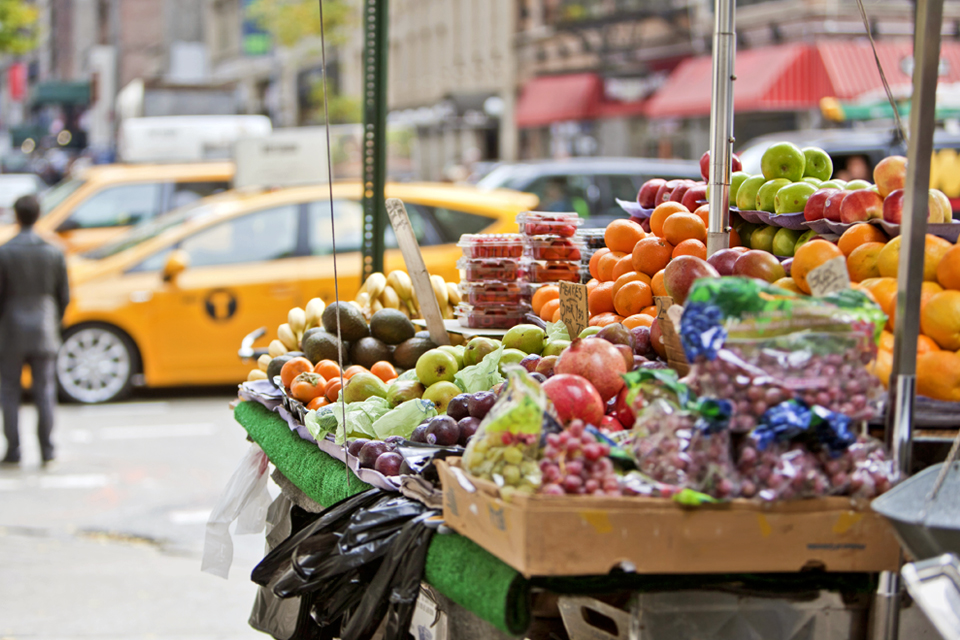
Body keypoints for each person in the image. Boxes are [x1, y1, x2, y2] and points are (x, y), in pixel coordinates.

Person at [0, 195, 70, 467]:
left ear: (16, 216)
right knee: (45, 392)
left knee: (9, 391)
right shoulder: (53, 251)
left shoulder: (5, 252)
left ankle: (13, 451)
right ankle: (47, 450)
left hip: (10, 331)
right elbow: (63, 296)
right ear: (38, 215)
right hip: (44, 327)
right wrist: (54, 322)